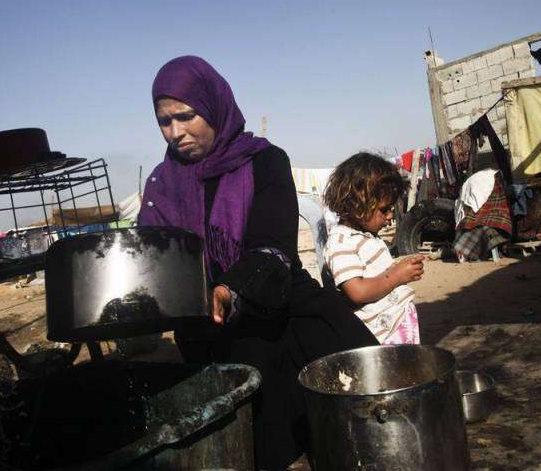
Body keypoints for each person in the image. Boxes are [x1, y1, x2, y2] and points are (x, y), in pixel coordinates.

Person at [138, 56, 378, 470]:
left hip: (283, 311)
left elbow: (273, 248)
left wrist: (230, 287)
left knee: (361, 421)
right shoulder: (162, 185)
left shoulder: (265, 162)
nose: (175, 132)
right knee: (254, 449)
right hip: (209, 334)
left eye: (186, 116)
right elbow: (150, 258)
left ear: (213, 106)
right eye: (164, 121)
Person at [323, 152, 423, 345]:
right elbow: (357, 291)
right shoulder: (341, 242)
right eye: (384, 210)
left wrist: (399, 267)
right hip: (383, 336)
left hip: (396, 324)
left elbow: (375, 273)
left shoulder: (365, 235)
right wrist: (397, 276)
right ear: (356, 205)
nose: (389, 216)